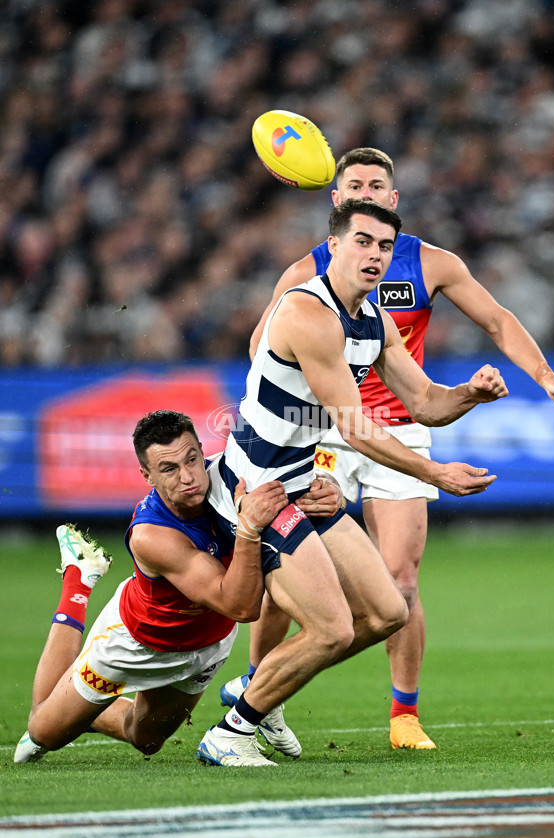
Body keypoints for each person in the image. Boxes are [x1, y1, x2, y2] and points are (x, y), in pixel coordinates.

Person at [219, 148, 554, 752]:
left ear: (394, 200)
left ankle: (402, 715)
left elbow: (490, 327)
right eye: (353, 185)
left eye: (377, 186)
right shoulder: (306, 284)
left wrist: (519, 382)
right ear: (336, 203)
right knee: (287, 582)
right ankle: (263, 698)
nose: (366, 197)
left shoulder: (422, 269)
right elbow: (266, 348)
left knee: (400, 585)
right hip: (330, 435)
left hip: (399, 426)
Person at [197, 197, 508, 767]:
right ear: (333, 246)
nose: (375, 255)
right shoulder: (307, 314)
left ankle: (256, 693)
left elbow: (424, 403)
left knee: (389, 612)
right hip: (255, 492)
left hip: (303, 488)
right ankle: (233, 731)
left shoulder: (375, 322)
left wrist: (469, 393)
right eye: (362, 241)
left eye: (385, 246)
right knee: (334, 629)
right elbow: (354, 425)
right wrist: (436, 472)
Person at [14, 410, 296, 764]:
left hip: (208, 641)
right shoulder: (151, 535)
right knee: (42, 731)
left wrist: (322, 497)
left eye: (192, 459)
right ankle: (79, 579)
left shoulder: (227, 476)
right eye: (169, 469)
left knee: (145, 739)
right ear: (146, 475)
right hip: (138, 642)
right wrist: (250, 527)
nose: (188, 477)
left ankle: (78, 707)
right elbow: (242, 607)